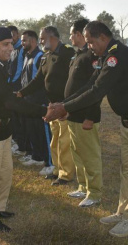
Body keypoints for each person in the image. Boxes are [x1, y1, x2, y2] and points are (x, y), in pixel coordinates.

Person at [44, 21, 128, 237]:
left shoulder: (115, 56)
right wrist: (63, 104)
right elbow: (90, 84)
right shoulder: (107, 55)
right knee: (126, 170)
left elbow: (97, 91)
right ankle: (123, 211)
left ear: (101, 37)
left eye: (90, 41)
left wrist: (64, 107)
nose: (89, 46)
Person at [0, 27, 47, 232]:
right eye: (5, 45)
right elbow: (9, 101)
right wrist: (44, 111)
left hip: (1, 130)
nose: (10, 48)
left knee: (5, 173)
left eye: (11, 43)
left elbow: (5, 97)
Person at [18, 26, 76, 186]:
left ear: (53, 38)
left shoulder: (67, 53)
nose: (41, 41)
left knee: (64, 143)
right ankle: (57, 170)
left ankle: (66, 175)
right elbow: (37, 80)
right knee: (55, 141)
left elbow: (75, 80)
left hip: (64, 107)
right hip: (52, 107)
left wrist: (68, 104)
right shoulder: (46, 57)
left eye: (43, 38)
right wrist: (21, 93)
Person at [64, 19, 103, 207]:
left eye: (72, 34)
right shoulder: (77, 55)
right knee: (77, 152)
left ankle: (94, 192)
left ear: (80, 35)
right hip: (73, 114)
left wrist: (91, 116)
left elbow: (96, 89)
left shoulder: (91, 56)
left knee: (90, 155)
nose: (70, 37)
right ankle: (82, 186)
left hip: (85, 116)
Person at [19, 30, 53, 176]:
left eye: (24, 40)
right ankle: (37, 156)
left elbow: (41, 81)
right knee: (32, 130)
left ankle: (50, 162)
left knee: (43, 133)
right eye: (21, 40)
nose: (22, 43)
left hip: (39, 103)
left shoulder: (40, 57)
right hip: (28, 101)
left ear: (33, 41)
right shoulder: (27, 56)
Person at [7, 25, 25, 155]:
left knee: (20, 118)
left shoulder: (21, 49)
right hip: (11, 87)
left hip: (18, 88)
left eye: (12, 35)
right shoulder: (12, 48)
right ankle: (17, 142)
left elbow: (19, 71)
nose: (11, 38)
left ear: (17, 35)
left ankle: (22, 145)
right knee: (13, 117)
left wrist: (10, 84)